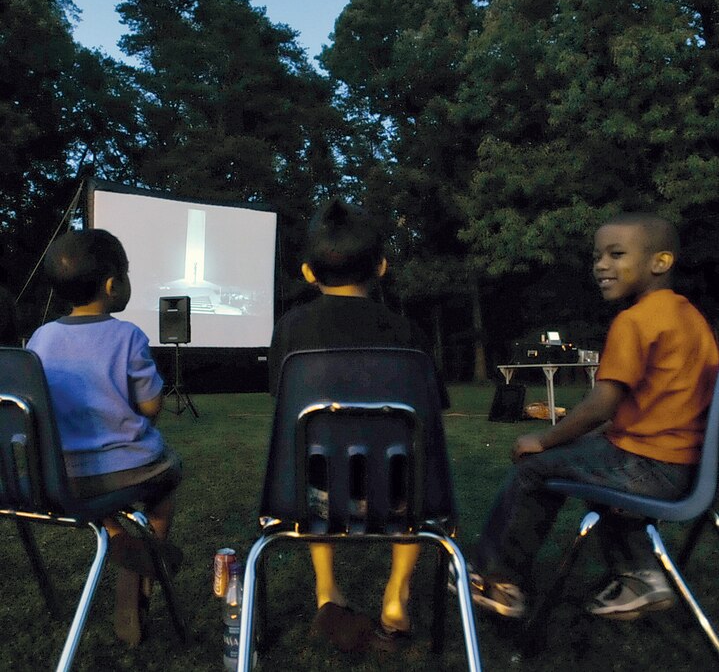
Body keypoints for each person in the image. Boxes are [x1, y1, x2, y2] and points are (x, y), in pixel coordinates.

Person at [460, 212, 718, 621]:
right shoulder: (692, 320)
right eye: (598, 256)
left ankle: (496, 579)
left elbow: (602, 403)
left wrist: (543, 440)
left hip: (646, 465)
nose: (601, 265)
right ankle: (640, 576)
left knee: (535, 467)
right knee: (592, 461)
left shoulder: (635, 321)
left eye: (616, 255)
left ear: (660, 262)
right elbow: (657, 401)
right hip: (687, 470)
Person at [268, 197, 450, 652]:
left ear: (309, 273)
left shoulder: (290, 330)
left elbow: (288, 409)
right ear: (383, 266)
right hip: (405, 500)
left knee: (311, 454)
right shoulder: (410, 335)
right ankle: (397, 597)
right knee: (413, 465)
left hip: (312, 498)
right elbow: (430, 417)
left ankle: (327, 589)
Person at [26, 229, 183, 646]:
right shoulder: (127, 335)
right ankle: (144, 559)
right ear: (114, 285)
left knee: (93, 487)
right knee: (168, 477)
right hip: (130, 470)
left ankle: (114, 534)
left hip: (62, 478)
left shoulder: (41, 339)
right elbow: (150, 407)